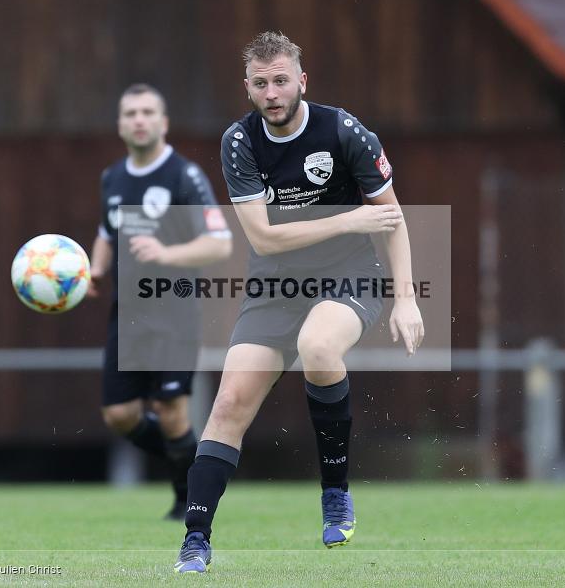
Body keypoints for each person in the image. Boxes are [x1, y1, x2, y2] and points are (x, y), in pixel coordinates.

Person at [174, 32, 424, 573]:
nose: (272, 93)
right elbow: (264, 240)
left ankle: (335, 494)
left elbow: (391, 218)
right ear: (247, 88)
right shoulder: (240, 142)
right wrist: (349, 218)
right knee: (228, 404)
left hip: (349, 276)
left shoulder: (343, 131)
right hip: (275, 286)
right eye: (260, 83)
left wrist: (406, 299)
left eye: (281, 80)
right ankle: (195, 540)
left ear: (301, 81)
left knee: (318, 345)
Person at [88, 83, 232, 520]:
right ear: (120, 124)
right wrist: (95, 269)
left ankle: (187, 497)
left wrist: (165, 253)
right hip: (128, 313)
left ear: (163, 122)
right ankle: (192, 465)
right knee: (119, 415)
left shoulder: (183, 176)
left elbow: (220, 243)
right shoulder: (112, 178)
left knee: (171, 412)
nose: (139, 120)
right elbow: (106, 232)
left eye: (148, 112)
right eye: (131, 113)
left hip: (174, 311)